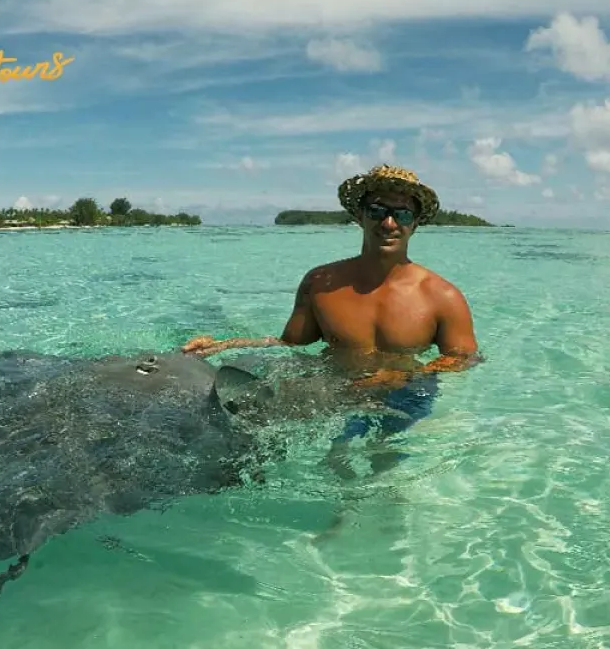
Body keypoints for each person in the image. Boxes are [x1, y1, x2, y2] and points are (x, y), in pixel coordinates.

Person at [181, 164, 481, 477]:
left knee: (384, 470)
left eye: (403, 214)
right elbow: (289, 344)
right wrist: (224, 345)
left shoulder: (442, 296)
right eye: (377, 210)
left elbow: (465, 358)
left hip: (403, 396)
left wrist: (399, 376)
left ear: (415, 223)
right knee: (284, 445)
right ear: (359, 215)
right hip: (336, 388)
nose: (389, 223)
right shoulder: (321, 283)